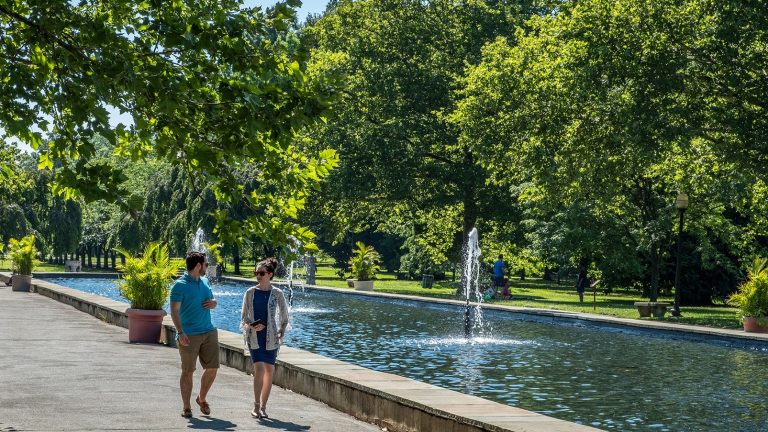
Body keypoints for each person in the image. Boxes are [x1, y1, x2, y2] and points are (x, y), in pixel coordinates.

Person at [170, 252, 219, 418]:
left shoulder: (205, 282)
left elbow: (211, 300)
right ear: (198, 265)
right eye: (206, 264)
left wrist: (214, 303)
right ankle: (186, 407)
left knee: (212, 368)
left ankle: (201, 398)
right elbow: (174, 311)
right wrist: (180, 332)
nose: (207, 267)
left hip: (209, 331)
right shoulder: (179, 285)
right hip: (189, 335)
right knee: (188, 371)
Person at [240, 257, 290, 419]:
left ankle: (263, 407)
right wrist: (251, 326)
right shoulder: (250, 293)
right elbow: (244, 318)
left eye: (261, 273)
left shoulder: (277, 293)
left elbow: (284, 316)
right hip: (254, 337)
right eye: (256, 273)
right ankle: (255, 406)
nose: (258, 276)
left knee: (269, 371)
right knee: (260, 369)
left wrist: (282, 329)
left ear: (270, 274)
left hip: (271, 338)